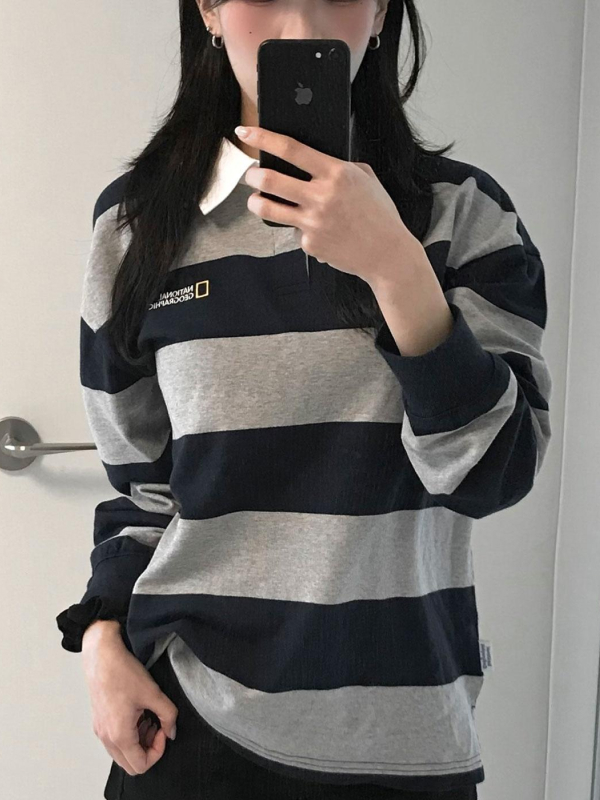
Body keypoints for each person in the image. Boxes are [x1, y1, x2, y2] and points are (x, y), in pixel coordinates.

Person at [56, 1, 553, 799]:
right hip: (190, 726)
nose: (301, 28)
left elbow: (493, 473)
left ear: (381, 11)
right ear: (209, 8)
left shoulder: (463, 215)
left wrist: (395, 267)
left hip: (403, 736)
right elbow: (144, 488)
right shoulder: (136, 225)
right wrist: (101, 637)